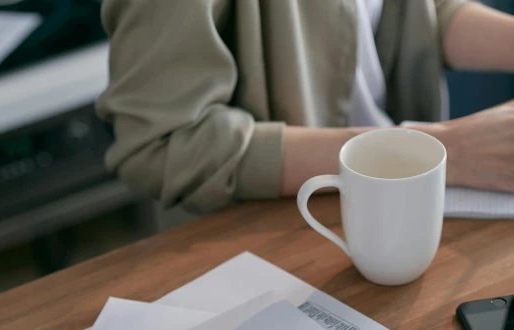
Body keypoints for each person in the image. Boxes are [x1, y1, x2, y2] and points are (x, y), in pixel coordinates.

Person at [97, 0, 514, 215]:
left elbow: (419, 13)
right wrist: (440, 151)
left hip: (396, 203)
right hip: (273, 234)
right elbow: (162, 142)